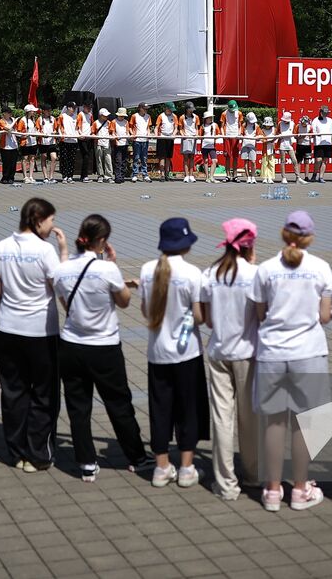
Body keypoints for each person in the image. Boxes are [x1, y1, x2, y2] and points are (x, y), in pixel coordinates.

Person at [54, 214, 151, 481]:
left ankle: (86, 462)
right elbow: (124, 302)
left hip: (71, 344)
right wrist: (113, 265)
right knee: (118, 403)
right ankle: (136, 457)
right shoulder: (107, 269)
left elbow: (67, 306)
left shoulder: (62, 270)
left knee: (78, 406)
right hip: (104, 346)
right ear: (102, 241)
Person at [250, 210, 332, 512]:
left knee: (274, 422)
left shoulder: (266, 269)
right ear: (310, 237)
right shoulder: (321, 268)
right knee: (304, 423)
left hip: (272, 352)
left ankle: (273, 490)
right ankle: (300, 489)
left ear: (284, 233)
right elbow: (325, 316)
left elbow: (260, 313)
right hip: (308, 352)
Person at [0, 197, 67, 471]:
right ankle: (38, 453)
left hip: (8, 328)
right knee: (44, 392)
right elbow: (60, 286)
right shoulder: (45, 251)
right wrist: (64, 253)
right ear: (38, 220)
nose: (53, 226)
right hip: (40, 331)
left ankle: (17, 451)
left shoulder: (1, 247)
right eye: (51, 220)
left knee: (13, 392)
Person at [196, 218, 261, 501]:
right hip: (248, 353)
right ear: (250, 245)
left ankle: (225, 483)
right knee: (250, 418)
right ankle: (253, 474)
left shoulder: (210, 273)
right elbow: (262, 316)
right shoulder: (256, 274)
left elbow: (207, 320)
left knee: (222, 417)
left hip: (219, 351)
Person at [140, 217, 208, 488]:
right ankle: (187, 467)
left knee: (160, 409)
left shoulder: (147, 270)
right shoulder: (192, 273)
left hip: (157, 352)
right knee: (187, 409)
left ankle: (161, 467)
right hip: (187, 353)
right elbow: (199, 316)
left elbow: (145, 311)